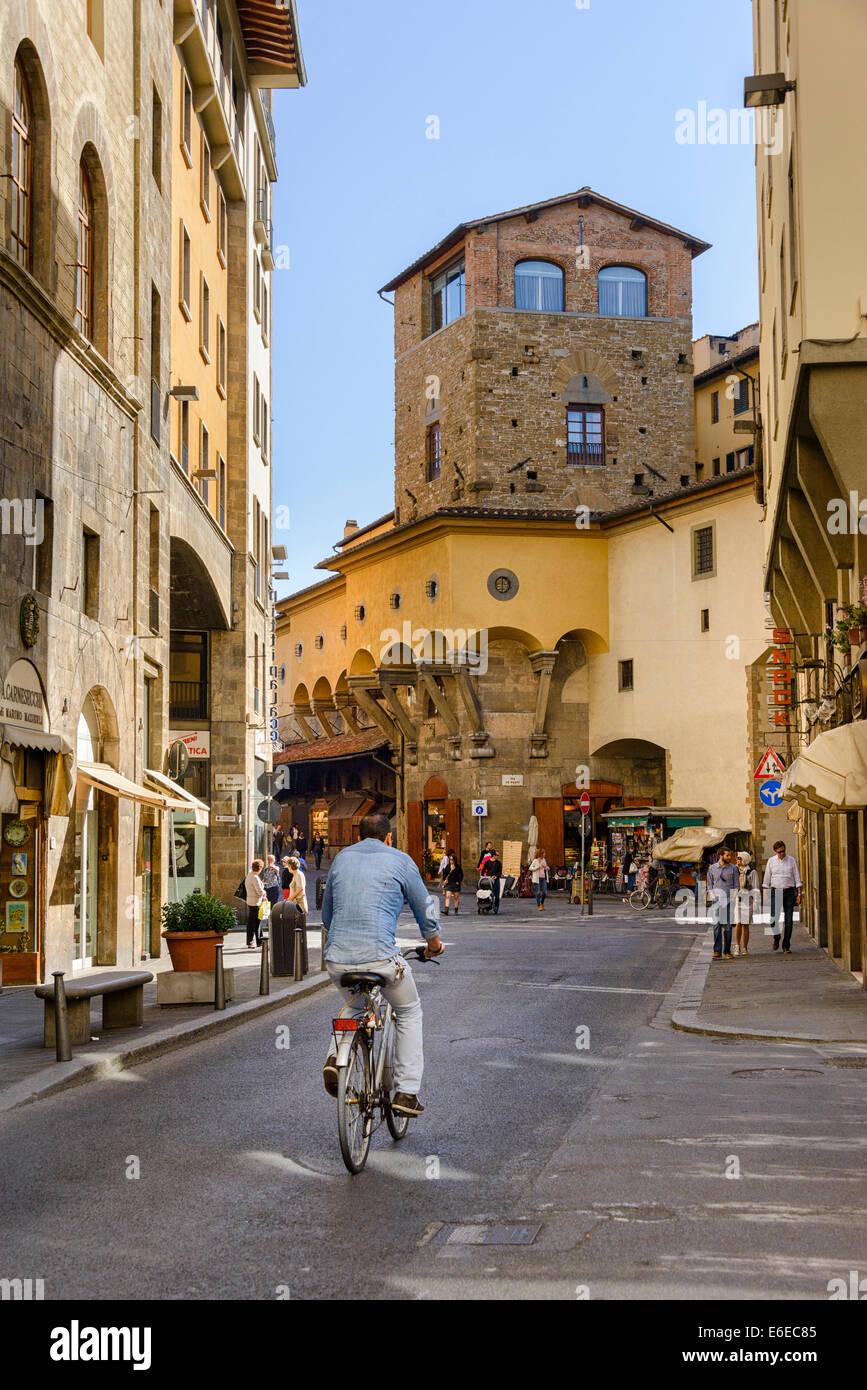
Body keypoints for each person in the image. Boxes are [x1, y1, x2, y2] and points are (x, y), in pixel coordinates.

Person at [321, 811, 443, 1118]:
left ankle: (336, 1057)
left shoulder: (342, 859)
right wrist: (434, 945)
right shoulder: (400, 860)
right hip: (380, 956)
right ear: (389, 838)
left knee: (356, 1005)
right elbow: (424, 908)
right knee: (409, 1011)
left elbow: (327, 915)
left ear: (358, 836)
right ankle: (407, 1091)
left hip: (337, 958)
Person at [763, 840, 802, 953]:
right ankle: (776, 937)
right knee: (774, 919)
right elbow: (767, 878)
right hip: (776, 892)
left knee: (789, 920)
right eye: (779, 852)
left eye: (783, 851)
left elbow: (797, 878)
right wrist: (765, 893)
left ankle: (786, 945)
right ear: (775, 851)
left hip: (789, 892)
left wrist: (799, 894)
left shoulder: (792, 861)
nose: (782, 853)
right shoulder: (771, 861)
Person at [707, 847, 739, 959]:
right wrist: (712, 896)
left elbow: (736, 885)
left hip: (729, 901)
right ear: (721, 856)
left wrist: (732, 898)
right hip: (716, 901)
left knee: (728, 927)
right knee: (717, 926)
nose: (729, 857)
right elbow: (709, 885)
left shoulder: (734, 868)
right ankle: (717, 951)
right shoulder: (712, 868)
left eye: (730, 855)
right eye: (727, 855)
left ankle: (727, 951)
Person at [734, 851, 760, 955]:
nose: (737, 860)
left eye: (739, 858)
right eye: (737, 858)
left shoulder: (752, 872)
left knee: (745, 924)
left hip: (747, 900)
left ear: (744, 859)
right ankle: (737, 945)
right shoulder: (735, 870)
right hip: (737, 899)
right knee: (738, 923)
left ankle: (744, 947)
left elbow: (755, 887)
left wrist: (755, 901)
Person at [244, 858, 266, 947]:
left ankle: (259, 940)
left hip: (251, 901)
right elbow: (259, 892)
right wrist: (264, 892)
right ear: (260, 868)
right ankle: (252, 941)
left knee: (256, 922)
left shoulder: (249, 875)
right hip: (256, 902)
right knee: (254, 922)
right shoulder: (255, 877)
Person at [486, 847, 503, 915]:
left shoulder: (498, 863)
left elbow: (500, 872)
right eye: (497, 855)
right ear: (493, 856)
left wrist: (496, 876)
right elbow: (484, 871)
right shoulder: (487, 862)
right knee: (488, 893)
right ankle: (487, 905)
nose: (498, 856)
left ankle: (496, 906)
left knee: (497, 894)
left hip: (496, 880)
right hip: (489, 880)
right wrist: (488, 876)